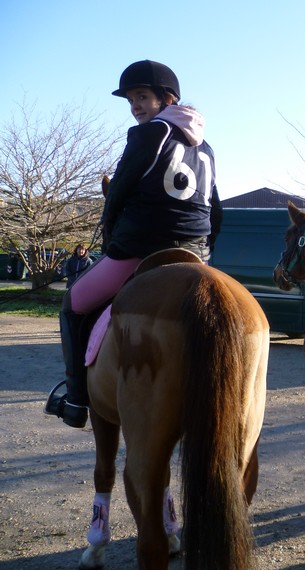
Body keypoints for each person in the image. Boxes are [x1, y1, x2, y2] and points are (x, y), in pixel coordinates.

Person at [44, 60, 222, 428]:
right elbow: (215, 210)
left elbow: (118, 192)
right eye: (131, 100)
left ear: (167, 99)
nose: (135, 106)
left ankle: (75, 400)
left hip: (141, 247)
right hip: (196, 253)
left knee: (72, 303)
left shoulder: (148, 133)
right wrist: (206, 252)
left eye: (141, 97)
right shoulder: (206, 147)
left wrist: (112, 242)